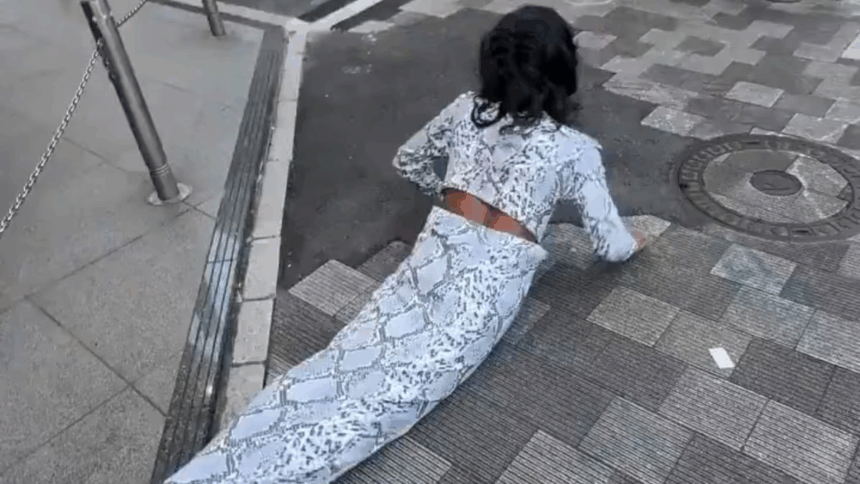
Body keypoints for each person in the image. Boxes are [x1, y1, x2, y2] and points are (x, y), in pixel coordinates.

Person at [164, 5, 646, 483]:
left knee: (337, 367)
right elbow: (611, 244)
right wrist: (634, 242)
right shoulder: (575, 152)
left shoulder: (464, 111)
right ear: (561, 72)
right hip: (482, 293)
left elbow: (408, 160)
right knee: (381, 398)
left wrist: (453, 200)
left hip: (433, 257)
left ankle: (211, 469)